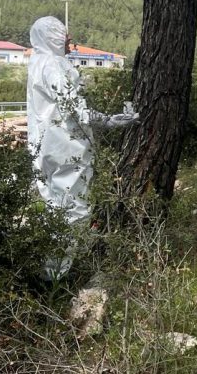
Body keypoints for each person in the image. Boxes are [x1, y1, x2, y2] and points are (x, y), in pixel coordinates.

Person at [26, 16, 137, 277]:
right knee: (74, 210)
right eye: (64, 36)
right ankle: (56, 277)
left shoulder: (38, 62)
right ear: (52, 37)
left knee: (56, 207)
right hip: (68, 149)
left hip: (48, 149)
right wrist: (111, 121)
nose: (69, 41)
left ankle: (50, 270)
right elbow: (74, 110)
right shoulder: (53, 65)